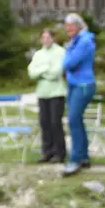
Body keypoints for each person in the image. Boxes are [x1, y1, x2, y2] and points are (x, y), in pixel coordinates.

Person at [61, 13, 97, 177]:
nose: (68, 30)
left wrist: (67, 53)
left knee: (73, 119)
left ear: (78, 26)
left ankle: (75, 160)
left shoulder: (83, 41)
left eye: (70, 27)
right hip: (75, 84)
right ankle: (84, 156)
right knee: (78, 120)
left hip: (82, 85)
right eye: (66, 27)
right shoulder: (78, 40)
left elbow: (68, 63)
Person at [27, 29, 67, 163]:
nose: (46, 40)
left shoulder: (60, 52)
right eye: (43, 38)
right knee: (44, 123)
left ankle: (59, 152)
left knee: (55, 123)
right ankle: (47, 152)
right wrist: (45, 68)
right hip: (42, 92)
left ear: (53, 38)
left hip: (57, 92)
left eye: (48, 37)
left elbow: (56, 72)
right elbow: (32, 73)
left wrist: (42, 72)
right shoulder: (38, 54)